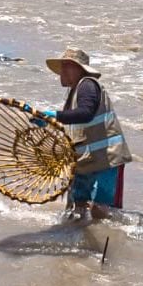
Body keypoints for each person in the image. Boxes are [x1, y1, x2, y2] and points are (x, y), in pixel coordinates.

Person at [41, 48, 132, 220]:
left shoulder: (88, 85)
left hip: (108, 159)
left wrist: (55, 115)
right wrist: (48, 121)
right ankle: (78, 241)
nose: (63, 71)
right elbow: (75, 127)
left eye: (69, 66)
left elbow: (86, 113)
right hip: (85, 161)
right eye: (63, 66)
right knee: (78, 208)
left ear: (80, 70)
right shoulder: (74, 91)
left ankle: (111, 239)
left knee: (100, 209)